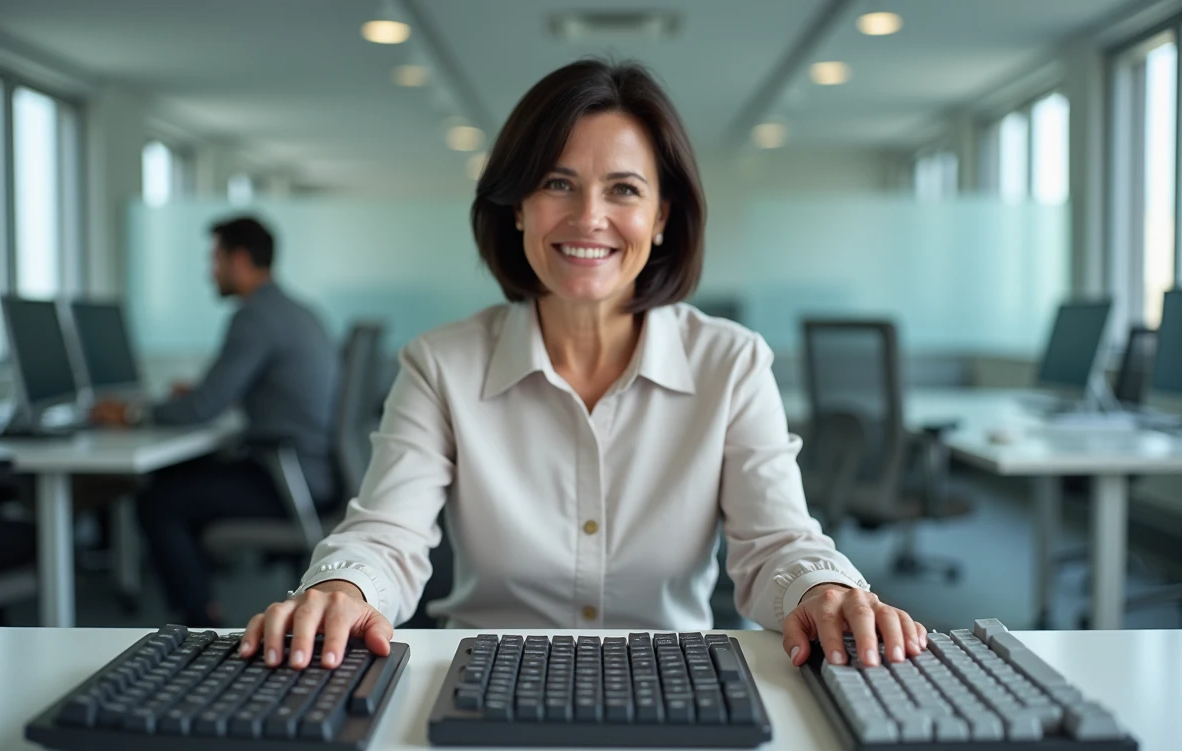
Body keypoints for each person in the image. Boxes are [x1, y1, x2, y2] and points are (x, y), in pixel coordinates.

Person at [239, 60, 929, 673]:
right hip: (488, 681)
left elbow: (777, 540)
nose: (588, 217)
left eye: (624, 190)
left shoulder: (732, 362)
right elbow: (385, 535)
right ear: (516, 208)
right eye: (556, 183)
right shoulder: (440, 363)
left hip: (673, 682)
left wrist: (825, 590)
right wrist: (341, 590)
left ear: (663, 217)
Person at [92, 216, 340, 627]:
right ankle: (198, 590)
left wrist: (130, 413)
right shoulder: (297, 311)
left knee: (158, 500)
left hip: (288, 479)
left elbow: (202, 409)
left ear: (239, 260)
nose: (211, 272)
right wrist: (203, 395)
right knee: (185, 475)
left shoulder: (255, 316)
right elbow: (232, 391)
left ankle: (198, 618)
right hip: (310, 469)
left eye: (216, 259)